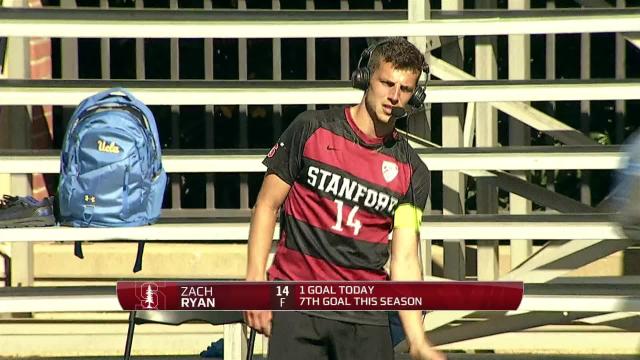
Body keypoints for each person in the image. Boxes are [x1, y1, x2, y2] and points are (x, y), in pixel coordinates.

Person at [245, 37, 445, 360]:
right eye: (387, 83)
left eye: (405, 89)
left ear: (415, 95)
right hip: (297, 304)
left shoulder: (413, 170)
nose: (394, 97)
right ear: (366, 78)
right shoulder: (310, 129)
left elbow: (406, 258)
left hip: (365, 315)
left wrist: (418, 339)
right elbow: (267, 205)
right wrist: (255, 281)